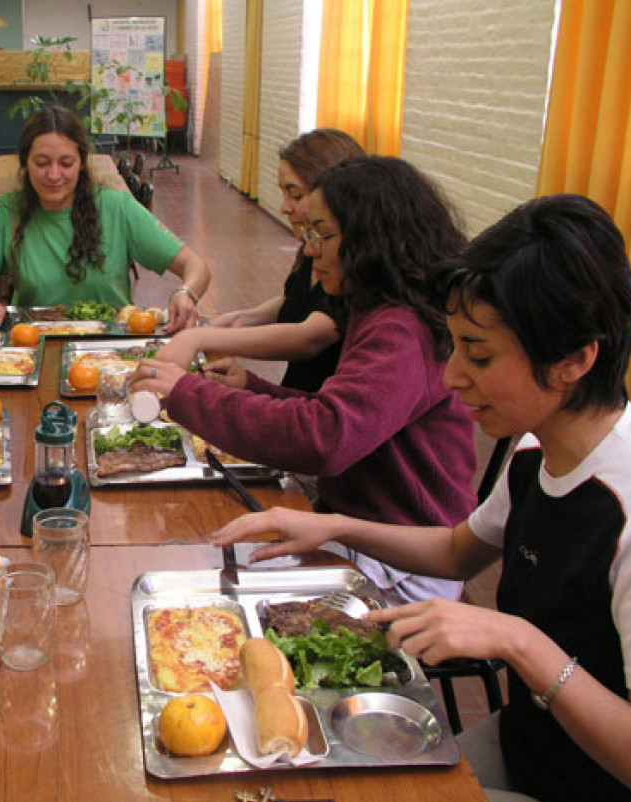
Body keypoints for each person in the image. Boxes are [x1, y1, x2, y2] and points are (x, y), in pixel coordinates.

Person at [214, 195, 631, 802]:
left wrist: (520, 642)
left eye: (479, 355)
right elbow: (455, 549)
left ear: (574, 362)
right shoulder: (536, 454)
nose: (450, 379)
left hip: (589, 801)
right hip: (527, 748)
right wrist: (330, 524)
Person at [133, 156, 476, 604]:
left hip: (405, 559)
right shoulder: (378, 307)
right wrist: (252, 387)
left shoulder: (400, 331)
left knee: (204, 583)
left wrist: (184, 392)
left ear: (374, 239)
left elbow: (325, 438)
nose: (310, 250)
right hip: (363, 525)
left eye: (323, 235)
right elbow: (343, 416)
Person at [0, 105, 212, 333]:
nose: (53, 175)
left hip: (110, 349)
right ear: (25, 163)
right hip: (32, 346)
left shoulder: (116, 207)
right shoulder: (8, 211)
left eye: (66, 163)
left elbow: (196, 266)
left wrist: (186, 293)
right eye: (41, 163)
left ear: (82, 163)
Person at [155, 128, 364, 392]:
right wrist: (232, 322)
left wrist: (202, 337)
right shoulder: (312, 251)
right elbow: (295, 302)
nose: (284, 207)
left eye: (296, 195)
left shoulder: (349, 267)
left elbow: (309, 337)